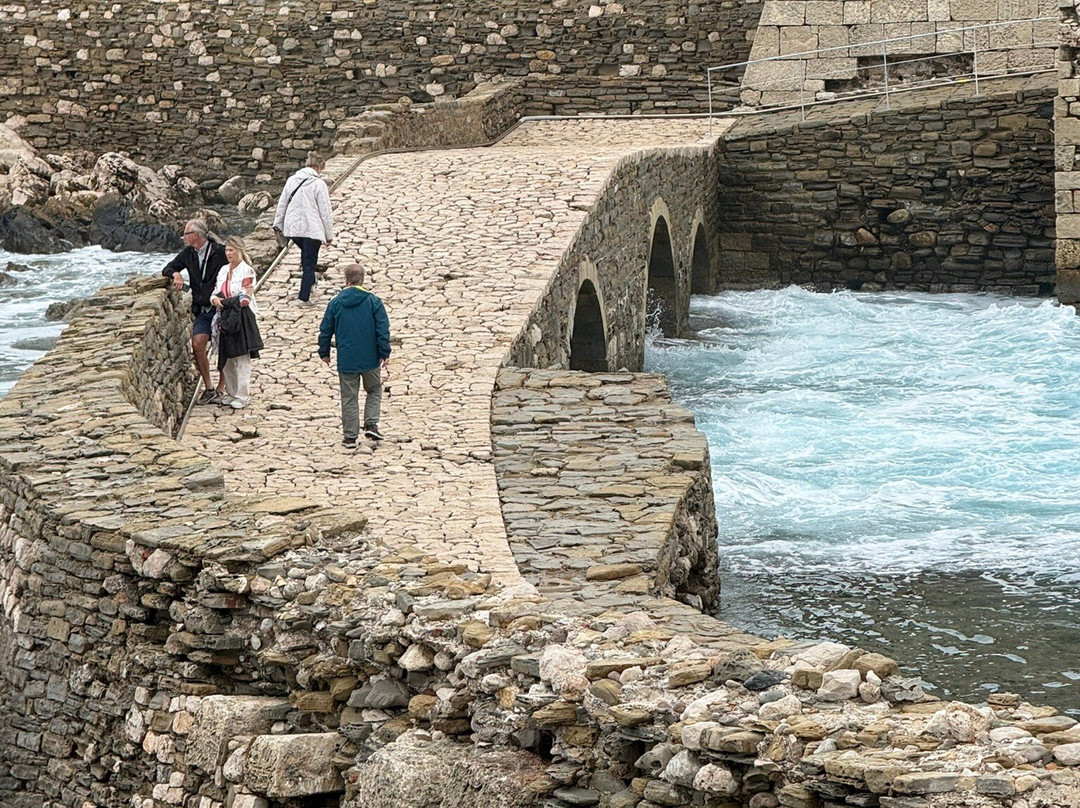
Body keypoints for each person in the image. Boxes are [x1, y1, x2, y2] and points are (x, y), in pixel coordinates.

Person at [318, 263, 390, 448]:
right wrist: (384, 352)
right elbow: (382, 329)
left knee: (349, 396)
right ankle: (371, 423)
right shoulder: (373, 301)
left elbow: (325, 329)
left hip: (347, 358)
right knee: (374, 389)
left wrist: (324, 352)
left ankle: (350, 436)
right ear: (363, 279)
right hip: (370, 357)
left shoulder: (335, 303)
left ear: (346, 279)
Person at [162, 219, 228, 404]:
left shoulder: (220, 252)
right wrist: (175, 274)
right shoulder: (188, 253)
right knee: (198, 344)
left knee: (223, 347)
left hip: (221, 307)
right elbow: (168, 267)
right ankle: (208, 387)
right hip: (202, 309)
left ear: (196, 235)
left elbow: (239, 265)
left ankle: (222, 387)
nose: (183, 237)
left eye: (186, 234)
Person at [273, 151, 334, 304]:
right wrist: (329, 235)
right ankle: (304, 296)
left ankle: (311, 281)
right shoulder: (319, 184)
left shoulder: (292, 180)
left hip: (293, 229)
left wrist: (278, 224)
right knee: (310, 261)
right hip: (312, 229)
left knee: (306, 253)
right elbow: (325, 212)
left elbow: (282, 204)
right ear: (318, 168)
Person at [210, 236, 262, 410]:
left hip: (241, 317)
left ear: (239, 250)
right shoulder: (224, 270)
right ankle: (231, 392)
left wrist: (224, 301)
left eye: (231, 250)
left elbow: (245, 296)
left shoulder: (247, 271)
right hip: (225, 316)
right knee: (227, 357)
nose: (228, 253)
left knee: (241, 357)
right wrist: (215, 300)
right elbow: (216, 291)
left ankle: (242, 394)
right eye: (227, 250)